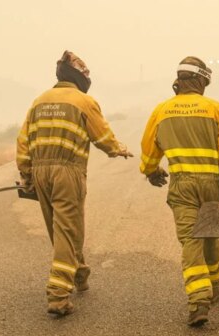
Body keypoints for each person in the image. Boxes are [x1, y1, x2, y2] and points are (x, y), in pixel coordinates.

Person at [16, 50, 132, 316]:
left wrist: (26, 174)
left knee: (59, 230)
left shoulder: (39, 101)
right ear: (79, 77)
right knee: (68, 231)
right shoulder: (83, 101)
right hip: (68, 171)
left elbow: (23, 142)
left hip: (41, 173)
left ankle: (79, 274)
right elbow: (102, 136)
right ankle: (58, 296)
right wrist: (119, 149)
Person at [139, 56, 219, 327]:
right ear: (200, 80)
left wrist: (151, 171)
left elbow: (150, 150)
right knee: (209, 233)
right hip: (213, 182)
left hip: (182, 184)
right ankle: (215, 287)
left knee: (189, 240)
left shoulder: (161, 111)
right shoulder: (215, 109)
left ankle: (198, 300)